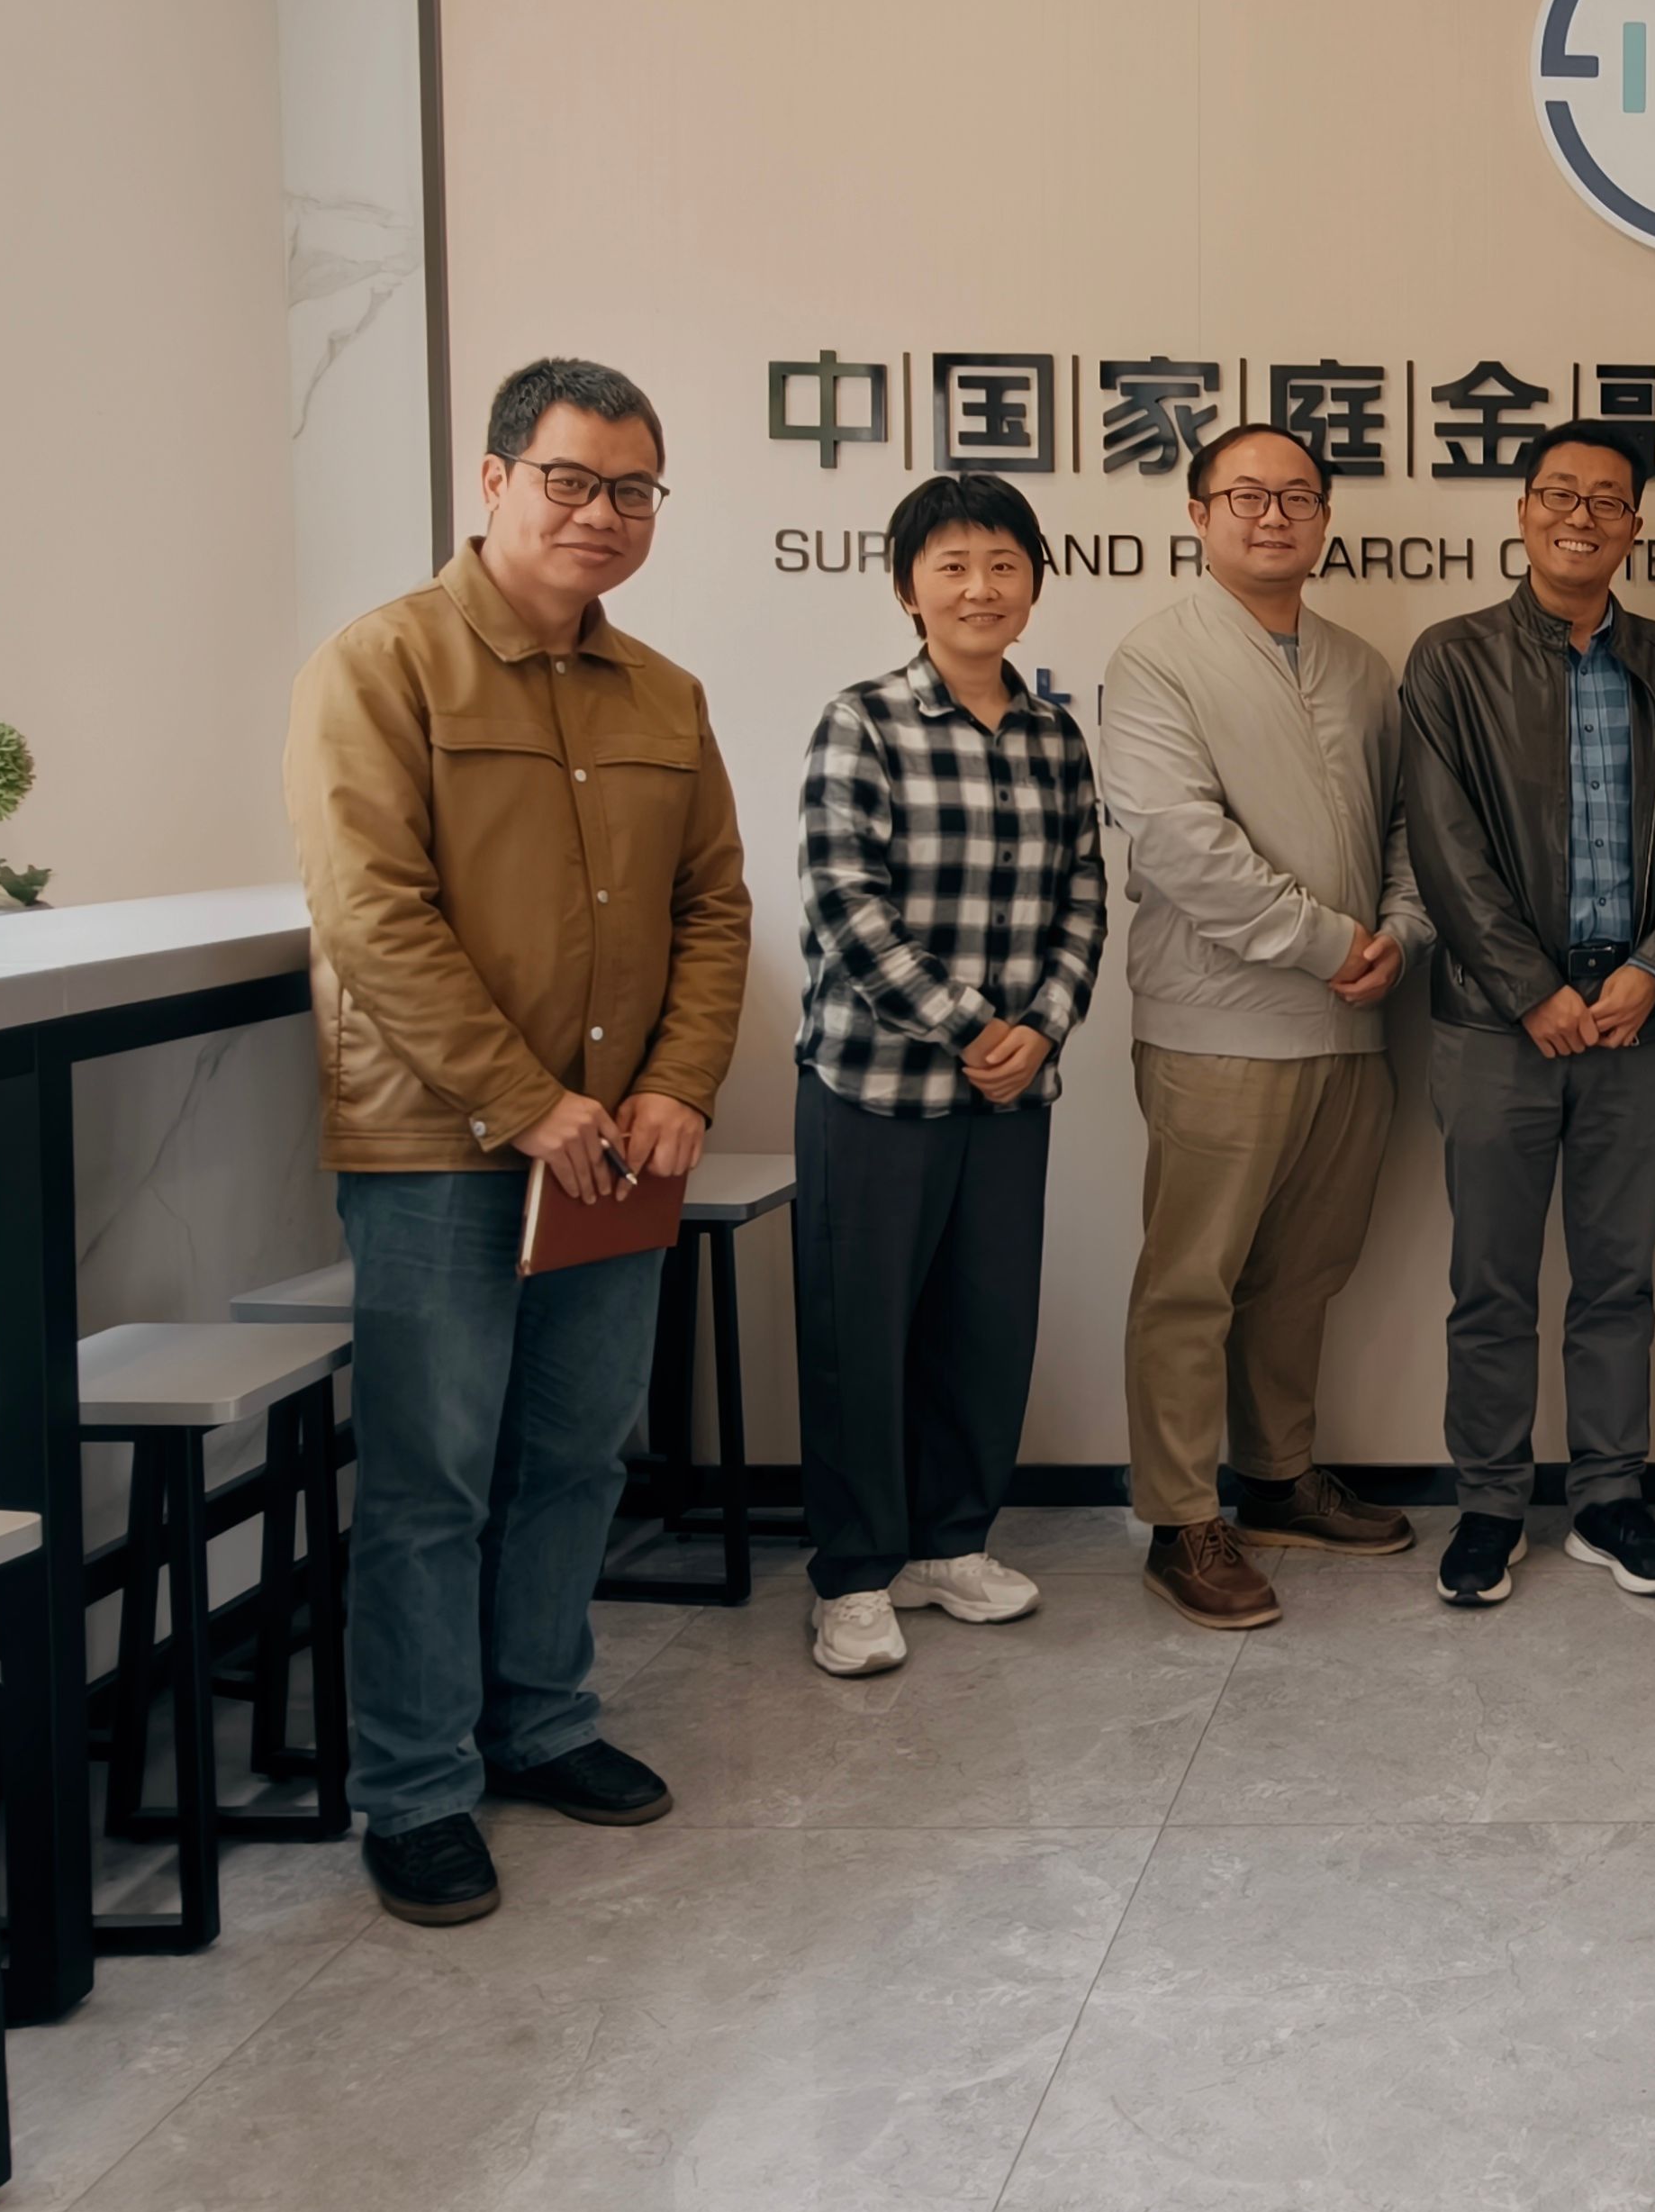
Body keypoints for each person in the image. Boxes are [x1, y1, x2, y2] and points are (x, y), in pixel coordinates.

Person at [284, 357, 748, 1926]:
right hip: (441, 1145)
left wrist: (679, 1085)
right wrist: (527, 1100)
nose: (603, 513)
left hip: (618, 1145)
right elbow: (372, 915)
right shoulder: (382, 665)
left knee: (576, 1452)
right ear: (493, 481)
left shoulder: (666, 695)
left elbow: (713, 907)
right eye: (571, 479)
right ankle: (417, 1786)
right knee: (434, 1477)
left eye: (633, 489)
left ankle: (542, 1720)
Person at [1401, 421, 1655, 1607]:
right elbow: (1442, 842)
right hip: (1496, 1026)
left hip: (1638, 1023)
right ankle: (1490, 1507)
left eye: (1606, 499)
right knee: (1489, 1282)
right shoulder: (1450, 659)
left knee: (1617, 1279)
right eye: (1558, 494)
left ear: (1636, 524)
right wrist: (1528, 989)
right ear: (1522, 511)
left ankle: (1607, 1497)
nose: (1579, 516)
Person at [1100, 423, 1428, 1632]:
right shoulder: (1157, 658)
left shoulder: (1361, 665)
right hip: (1218, 1027)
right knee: (1192, 1286)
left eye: (1297, 496)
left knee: (1303, 1277)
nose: (1274, 515)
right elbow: (1179, 843)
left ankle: (1279, 1480)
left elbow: (1409, 826)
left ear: (1326, 517)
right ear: (1198, 514)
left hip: (1352, 1030)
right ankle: (1182, 1519)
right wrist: (1326, 942)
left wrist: (1400, 932)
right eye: (1246, 495)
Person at [792, 470, 1107, 1678]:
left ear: (1034, 585)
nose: (981, 588)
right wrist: (972, 1027)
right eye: (953, 567)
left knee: (985, 1328)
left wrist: (1044, 1028)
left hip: (1012, 1093)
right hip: (876, 1088)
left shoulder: (1052, 736)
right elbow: (845, 905)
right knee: (859, 1338)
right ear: (908, 589)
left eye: (1004, 565)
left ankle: (949, 1543)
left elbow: (1084, 898)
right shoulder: (863, 721)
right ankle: (853, 1575)